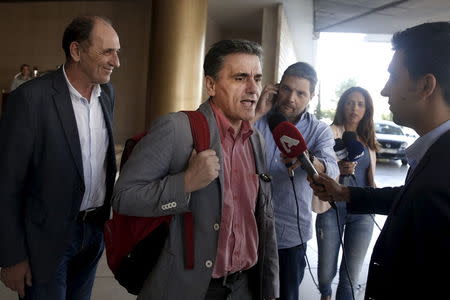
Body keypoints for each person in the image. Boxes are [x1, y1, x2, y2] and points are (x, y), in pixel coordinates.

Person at [112, 39, 279, 300]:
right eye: (240, 78)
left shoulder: (256, 139)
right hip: (189, 287)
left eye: (257, 78)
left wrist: (269, 287)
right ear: (210, 84)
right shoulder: (176, 129)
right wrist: (186, 183)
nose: (253, 89)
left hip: (243, 286)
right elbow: (124, 198)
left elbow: (261, 217)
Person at [310, 22, 450, 300]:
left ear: (425, 86)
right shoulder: (435, 155)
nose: (385, 91)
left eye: (393, 78)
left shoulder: (443, 175)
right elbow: (409, 197)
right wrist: (345, 192)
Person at [0, 16, 120, 299]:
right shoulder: (30, 99)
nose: (116, 62)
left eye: (118, 52)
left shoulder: (108, 94)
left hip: (92, 233)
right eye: (107, 51)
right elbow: (7, 183)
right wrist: (11, 256)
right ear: (76, 51)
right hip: (46, 238)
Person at [254, 62, 339, 300]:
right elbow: (230, 144)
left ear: (311, 96)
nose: (291, 98)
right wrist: (257, 112)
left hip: (290, 233)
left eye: (301, 93)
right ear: (277, 88)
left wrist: (307, 159)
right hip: (248, 227)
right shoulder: (256, 119)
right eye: (287, 89)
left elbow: (331, 169)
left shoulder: (319, 130)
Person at [315, 87, 378, 300]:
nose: (355, 108)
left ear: (366, 110)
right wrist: (336, 169)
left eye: (360, 104)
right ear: (343, 105)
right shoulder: (328, 133)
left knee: (350, 276)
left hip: (363, 212)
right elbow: (317, 168)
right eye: (350, 102)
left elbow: (370, 176)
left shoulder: (368, 138)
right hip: (331, 209)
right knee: (325, 274)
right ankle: (325, 293)